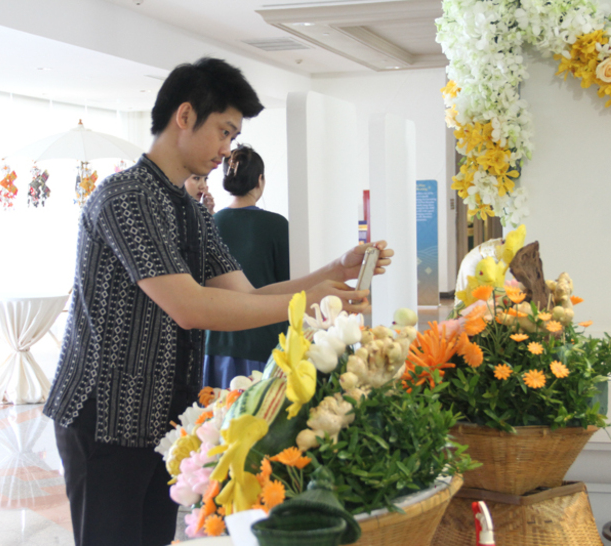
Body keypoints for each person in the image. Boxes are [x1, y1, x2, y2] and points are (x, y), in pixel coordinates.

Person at [43, 57, 393, 546]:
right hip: (106, 414)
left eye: (233, 136)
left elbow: (246, 296)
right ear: (185, 116)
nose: (227, 149)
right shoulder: (124, 197)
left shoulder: (189, 211)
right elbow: (190, 307)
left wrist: (333, 271)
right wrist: (305, 301)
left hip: (162, 417)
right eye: (224, 132)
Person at [203, 145, 288, 388]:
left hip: (215, 345)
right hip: (263, 346)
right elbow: (289, 287)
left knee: (215, 410)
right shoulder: (277, 226)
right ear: (260, 180)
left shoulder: (210, 224)